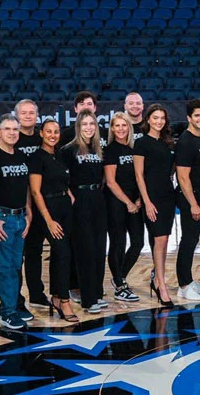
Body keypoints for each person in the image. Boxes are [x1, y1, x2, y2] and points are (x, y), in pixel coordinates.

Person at [0, 115, 34, 331]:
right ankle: (7, 312)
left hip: (20, 217)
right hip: (2, 218)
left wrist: (28, 213)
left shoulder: (20, 156)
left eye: (15, 129)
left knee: (16, 266)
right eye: (7, 129)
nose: (12, 133)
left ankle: (15, 304)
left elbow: (25, 187)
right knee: (5, 267)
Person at [28, 120, 75, 319]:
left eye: (56, 132)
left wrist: (69, 194)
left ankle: (56, 295)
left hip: (65, 206)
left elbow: (63, 179)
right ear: (41, 133)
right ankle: (64, 301)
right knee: (62, 252)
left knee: (62, 254)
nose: (53, 135)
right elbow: (36, 192)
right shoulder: (36, 158)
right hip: (48, 210)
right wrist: (48, 220)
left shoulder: (60, 154)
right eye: (49, 131)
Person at [62, 111, 107, 314]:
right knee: (85, 250)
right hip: (80, 201)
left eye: (92, 124)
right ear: (78, 126)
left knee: (99, 249)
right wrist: (69, 194)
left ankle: (97, 293)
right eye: (85, 124)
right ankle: (88, 299)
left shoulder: (98, 149)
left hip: (98, 199)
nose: (89, 127)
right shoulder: (69, 150)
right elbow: (60, 177)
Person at [134, 104, 178, 307]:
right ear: (148, 120)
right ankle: (161, 284)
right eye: (155, 118)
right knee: (159, 241)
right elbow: (139, 175)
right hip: (152, 199)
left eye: (162, 118)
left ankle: (156, 278)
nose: (159, 121)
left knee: (164, 240)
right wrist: (147, 202)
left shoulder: (167, 142)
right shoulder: (141, 143)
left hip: (168, 196)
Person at [103, 115, 144, 302]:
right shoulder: (110, 150)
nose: (120, 129)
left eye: (124, 125)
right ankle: (120, 285)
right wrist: (127, 202)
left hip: (135, 202)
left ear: (129, 127)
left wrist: (139, 199)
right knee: (118, 244)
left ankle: (120, 277)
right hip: (116, 203)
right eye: (117, 126)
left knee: (138, 242)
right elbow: (110, 182)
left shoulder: (135, 147)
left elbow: (140, 176)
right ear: (112, 129)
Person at [174, 99, 200, 302]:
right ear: (189, 118)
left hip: (199, 194)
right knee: (188, 240)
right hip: (190, 197)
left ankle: (189, 279)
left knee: (193, 239)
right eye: (197, 115)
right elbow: (182, 177)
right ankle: (184, 285)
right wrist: (193, 203)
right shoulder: (186, 141)